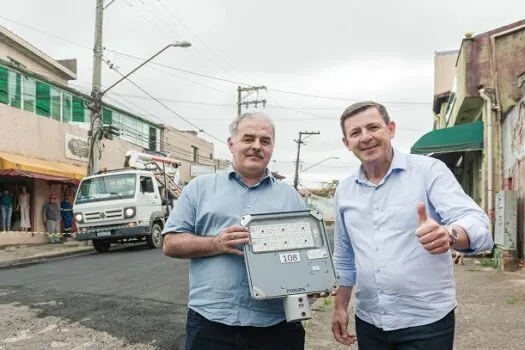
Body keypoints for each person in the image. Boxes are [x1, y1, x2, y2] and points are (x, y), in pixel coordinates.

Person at [331, 101, 494, 349]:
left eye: (373, 127)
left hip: (426, 321)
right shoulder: (344, 191)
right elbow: (344, 256)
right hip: (370, 320)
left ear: (391, 129)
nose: (365, 137)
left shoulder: (428, 172)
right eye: (355, 133)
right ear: (347, 143)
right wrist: (340, 307)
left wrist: (449, 234)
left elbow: (476, 223)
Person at [161, 111, 307, 350]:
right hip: (210, 324)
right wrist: (215, 244)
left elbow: (302, 254)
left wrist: (313, 282)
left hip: (277, 325)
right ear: (231, 144)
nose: (256, 147)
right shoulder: (200, 188)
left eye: (265, 141)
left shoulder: (290, 197)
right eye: (248, 139)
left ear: (272, 148)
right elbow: (170, 244)